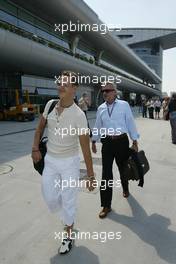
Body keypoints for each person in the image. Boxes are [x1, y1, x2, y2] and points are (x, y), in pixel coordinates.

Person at [31, 71, 95, 254]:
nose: (60, 86)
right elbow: (39, 129)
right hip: (50, 160)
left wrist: (90, 176)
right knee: (50, 197)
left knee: (68, 200)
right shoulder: (50, 105)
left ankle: (68, 233)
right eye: (60, 83)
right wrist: (35, 148)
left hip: (69, 163)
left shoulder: (79, 115)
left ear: (74, 89)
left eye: (65, 84)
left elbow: (85, 148)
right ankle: (68, 215)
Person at [91, 83, 139, 219]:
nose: (105, 93)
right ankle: (106, 205)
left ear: (114, 92)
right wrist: (94, 141)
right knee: (106, 173)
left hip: (122, 142)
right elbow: (98, 126)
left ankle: (125, 187)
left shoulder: (123, 105)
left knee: (123, 168)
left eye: (107, 90)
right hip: (107, 143)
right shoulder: (101, 108)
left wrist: (134, 140)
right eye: (103, 91)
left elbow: (130, 122)